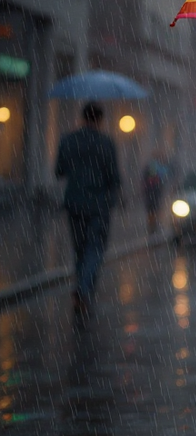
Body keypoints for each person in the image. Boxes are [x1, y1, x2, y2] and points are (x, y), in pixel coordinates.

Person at [55, 101, 121, 312]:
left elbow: (59, 171)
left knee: (80, 248)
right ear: (100, 119)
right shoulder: (106, 143)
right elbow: (114, 177)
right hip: (99, 205)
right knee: (95, 248)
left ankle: (82, 289)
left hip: (75, 203)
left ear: (83, 117)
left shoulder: (68, 140)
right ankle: (84, 288)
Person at [141, 152, 169, 233]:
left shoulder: (153, 166)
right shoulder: (156, 166)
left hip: (152, 191)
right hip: (154, 191)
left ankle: (153, 225)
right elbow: (161, 177)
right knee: (154, 208)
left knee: (152, 209)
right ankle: (153, 225)